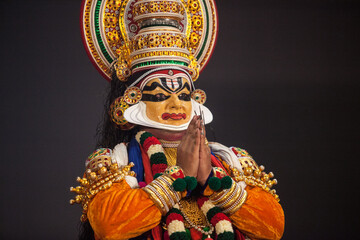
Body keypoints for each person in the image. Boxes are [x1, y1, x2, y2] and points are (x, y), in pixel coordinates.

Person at [70, 0, 285, 239]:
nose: (176, 104)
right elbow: (108, 226)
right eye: (160, 94)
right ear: (132, 99)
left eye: (183, 94)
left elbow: (272, 228)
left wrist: (211, 180)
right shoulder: (114, 162)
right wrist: (178, 176)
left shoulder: (230, 160)